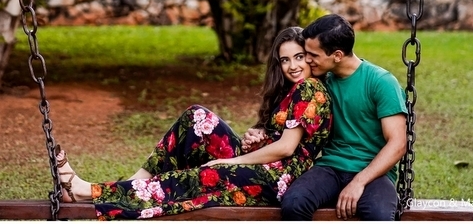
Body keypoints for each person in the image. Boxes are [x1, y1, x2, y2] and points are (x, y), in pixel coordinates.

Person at [53, 27, 332, 220]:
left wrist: (229, 163)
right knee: (196, 118)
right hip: (265, 166)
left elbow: (286, 149)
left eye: (298, 57)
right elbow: (282, 138)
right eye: (285, 60)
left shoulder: (309, 88)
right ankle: (132, 184)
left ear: (309, 57)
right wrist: (258, 137)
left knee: (197, 179)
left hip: (279, 180)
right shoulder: (291, 90)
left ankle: (84, 191)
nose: (293, 65)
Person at [280, 14, 408, 221]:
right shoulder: (319, 83)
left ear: (337, 55)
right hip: (330, 167)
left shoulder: (381, 82)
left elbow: (398, 144)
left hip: (374, 172)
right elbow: (287, 117)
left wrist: (359, 182)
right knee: (294, 204)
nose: (307, 60)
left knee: (379, 216)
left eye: (313, 55)